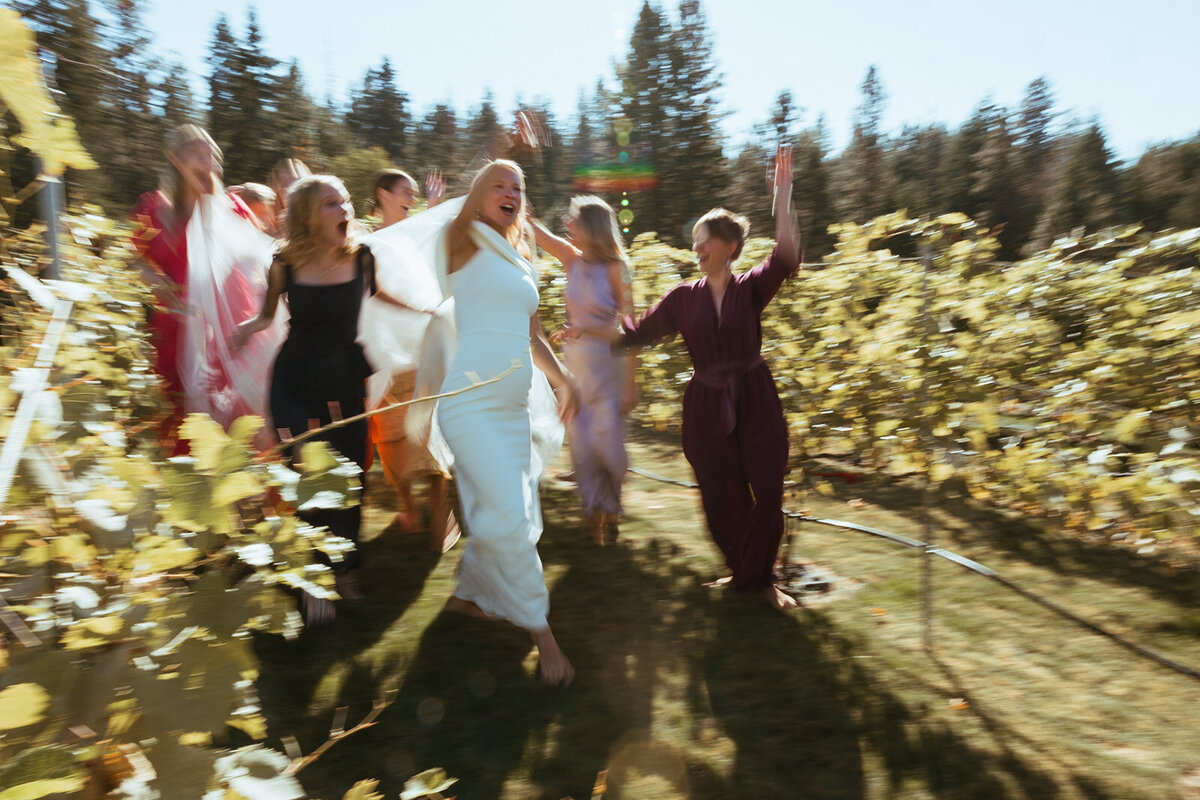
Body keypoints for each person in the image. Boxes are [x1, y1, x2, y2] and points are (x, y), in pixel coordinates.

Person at [615, 145, 800, 611]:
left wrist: (782, 198)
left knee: (768, 487)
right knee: (719, 493)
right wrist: (591, 329)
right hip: (706, 403)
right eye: (695, 241)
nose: (696, 248)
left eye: (704, 240)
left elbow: (786, 256)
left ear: (729, 246)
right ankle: (743, 573)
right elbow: (639, 333)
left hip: (754, 396)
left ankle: (764, 577)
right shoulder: (682, 298)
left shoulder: (751, 287)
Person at [234, 175, 426, 615]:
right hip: (295, 380)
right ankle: (312, 579)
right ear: (306, 215)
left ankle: (343, 569)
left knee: (349, 474)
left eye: (344, 202)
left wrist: (422, 310)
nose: (344, 211)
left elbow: (380, 294)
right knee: (306, 474)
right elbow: (267, 316)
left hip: (344, 377)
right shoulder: (284, 263)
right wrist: (246, 329)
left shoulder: (362, 257)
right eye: (330, 204)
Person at [437, 159, 579, 685]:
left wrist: (565, 380)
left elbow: (534, 337)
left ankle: (468, 595)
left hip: (511, 408)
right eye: (499, 184)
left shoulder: (520, 258)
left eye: (518, 186)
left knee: (510, 509)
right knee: (510, 521)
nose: (510, 192)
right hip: (469, 405)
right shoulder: (463, 241)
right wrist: (507, 149)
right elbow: (462, 208)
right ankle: (544, 638)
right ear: (478, 195)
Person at [130, 124, 261, 454]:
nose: (209, 160)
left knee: (238, 424)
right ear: (175, 159)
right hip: (176, 330)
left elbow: (257, 263)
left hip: (229, 330)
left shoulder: (232, 209)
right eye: (198, 153)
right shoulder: (152, 210)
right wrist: (160, 286)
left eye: (213, 154)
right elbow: (134, 260)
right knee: (184, 428)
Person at [533, 196, 636, 545]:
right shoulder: (571, 259)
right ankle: (595, 515)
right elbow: (534, 228)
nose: (567, 223)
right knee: (581, 443)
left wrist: (631, 385)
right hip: (575, 368)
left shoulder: (619, 268)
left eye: (573, 219)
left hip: (609, 366)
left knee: (608, 444)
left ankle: (613, 504)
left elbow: (630, 330)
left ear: (591, 227)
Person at [366, 168, 457, 550]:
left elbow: (432, 233)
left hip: (421, 350)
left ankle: (440, 518)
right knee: (390, 444)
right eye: (406, 192)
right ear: (382, 194)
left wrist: (434, 207)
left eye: (416, 194)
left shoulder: (415, 231)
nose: (412, 198)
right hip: (382, 357)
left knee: (429, 431)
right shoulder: (363, 240)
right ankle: (406, 503)